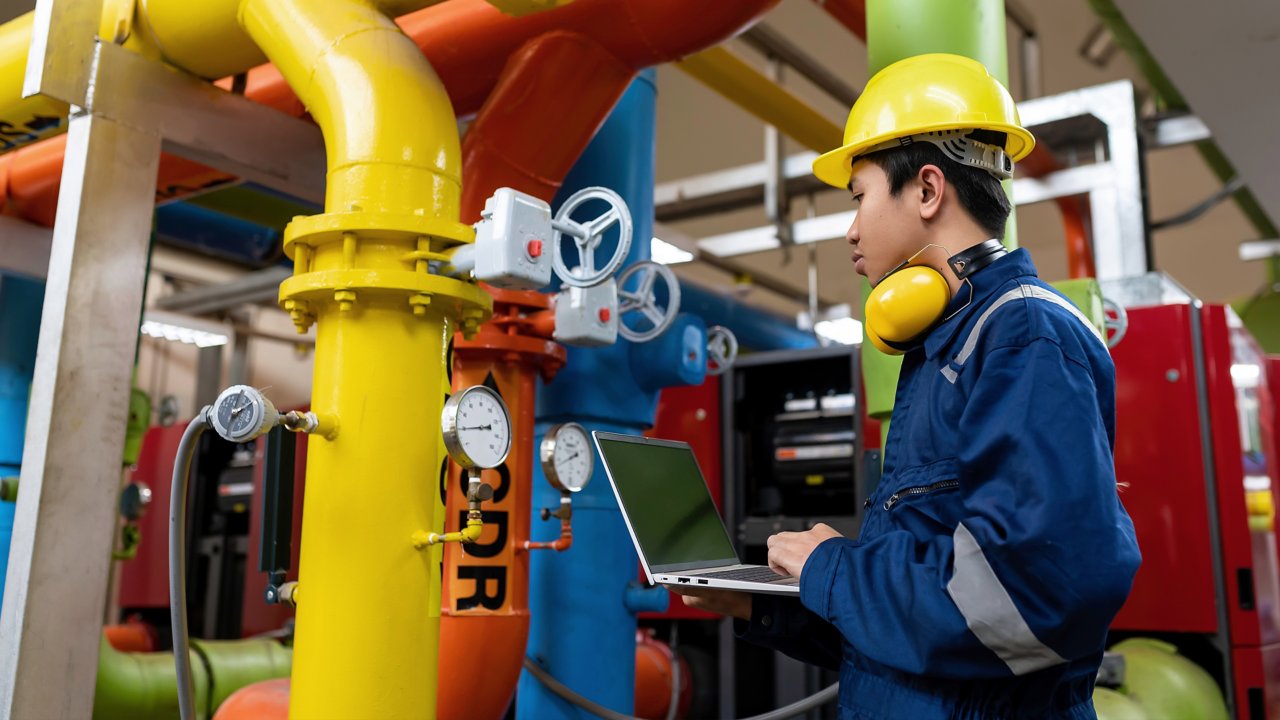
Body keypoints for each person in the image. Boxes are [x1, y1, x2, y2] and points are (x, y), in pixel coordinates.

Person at [674, 53, 1141, 719]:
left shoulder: (1022, 335)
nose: (851, 228)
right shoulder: (945, 348)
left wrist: (831, 570)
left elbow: (1030, 602)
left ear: (926, 190)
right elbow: (922, 633)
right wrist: (767, 603)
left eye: (859, 196)